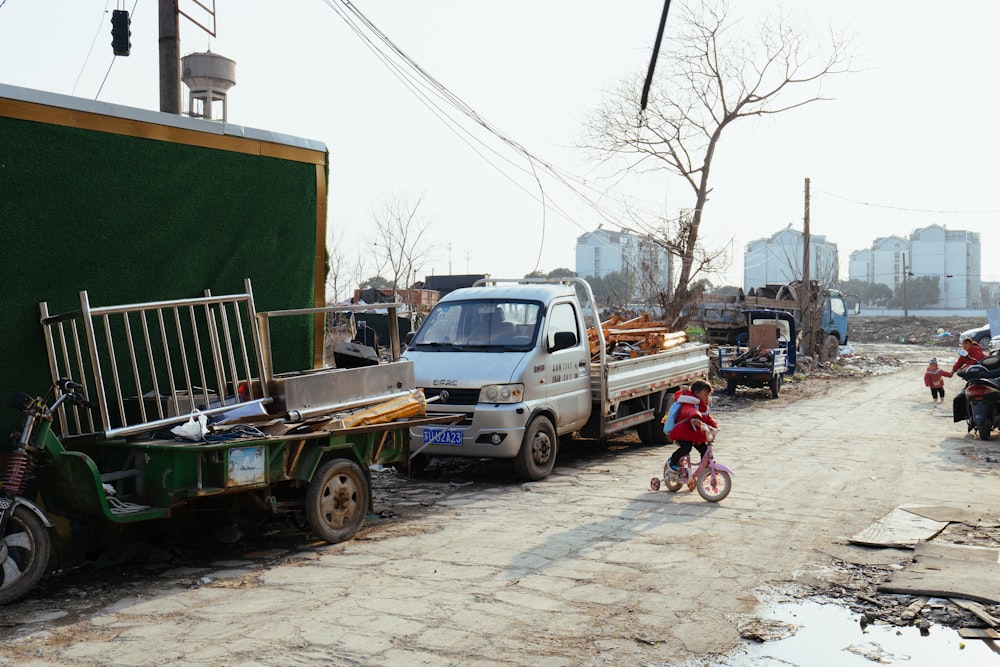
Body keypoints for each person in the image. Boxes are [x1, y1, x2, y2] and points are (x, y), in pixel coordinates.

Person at [667, 380, 718, 475]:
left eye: (708, 395)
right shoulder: (689, 403)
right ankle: (672, 461)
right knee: (686, 448)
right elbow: (688, 411)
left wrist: (713, 426)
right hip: (683, 433)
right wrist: (695, 417)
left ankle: (706, 466)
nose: (707, 397)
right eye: (705, 395)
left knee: (704, 449)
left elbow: (707, 418)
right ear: (697, 393)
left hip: (694, 434)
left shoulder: (703, 406)